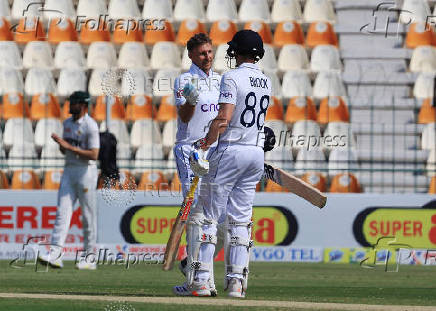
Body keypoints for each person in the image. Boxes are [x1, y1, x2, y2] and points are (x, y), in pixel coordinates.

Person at [188, 30, 271, 298]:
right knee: (240, 221)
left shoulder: (232, 77)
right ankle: (236, 283)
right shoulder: (266, 81)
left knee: (209, 216)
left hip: (231, 150)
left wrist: (204, 144)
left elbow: (223, 119)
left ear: (239, 52)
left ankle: (201, 280)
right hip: (255, 153)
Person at [172, 33, 223, 296]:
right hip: (190, 151)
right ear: (191, 55)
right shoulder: (184, 80)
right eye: (202, 53)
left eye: (210, 52)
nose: (207, 57)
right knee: (196, 216)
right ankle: (194, 281)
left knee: (217, 219)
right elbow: (184, 116)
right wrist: (190, 99)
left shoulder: (220, 80)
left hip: (215, 152)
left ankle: (203, 276)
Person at [38, 91, 100, 270]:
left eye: (73, 103)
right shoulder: (66, 124)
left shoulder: (91, 126)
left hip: (85, 173)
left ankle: (90, 258)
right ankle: (55, 255)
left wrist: (68, 147)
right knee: (62, 214)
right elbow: (66, 151)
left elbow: (94, 154)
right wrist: (62, 146)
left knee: (88, 217)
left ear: (82, 105)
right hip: (69, 171)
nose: (69, 106)